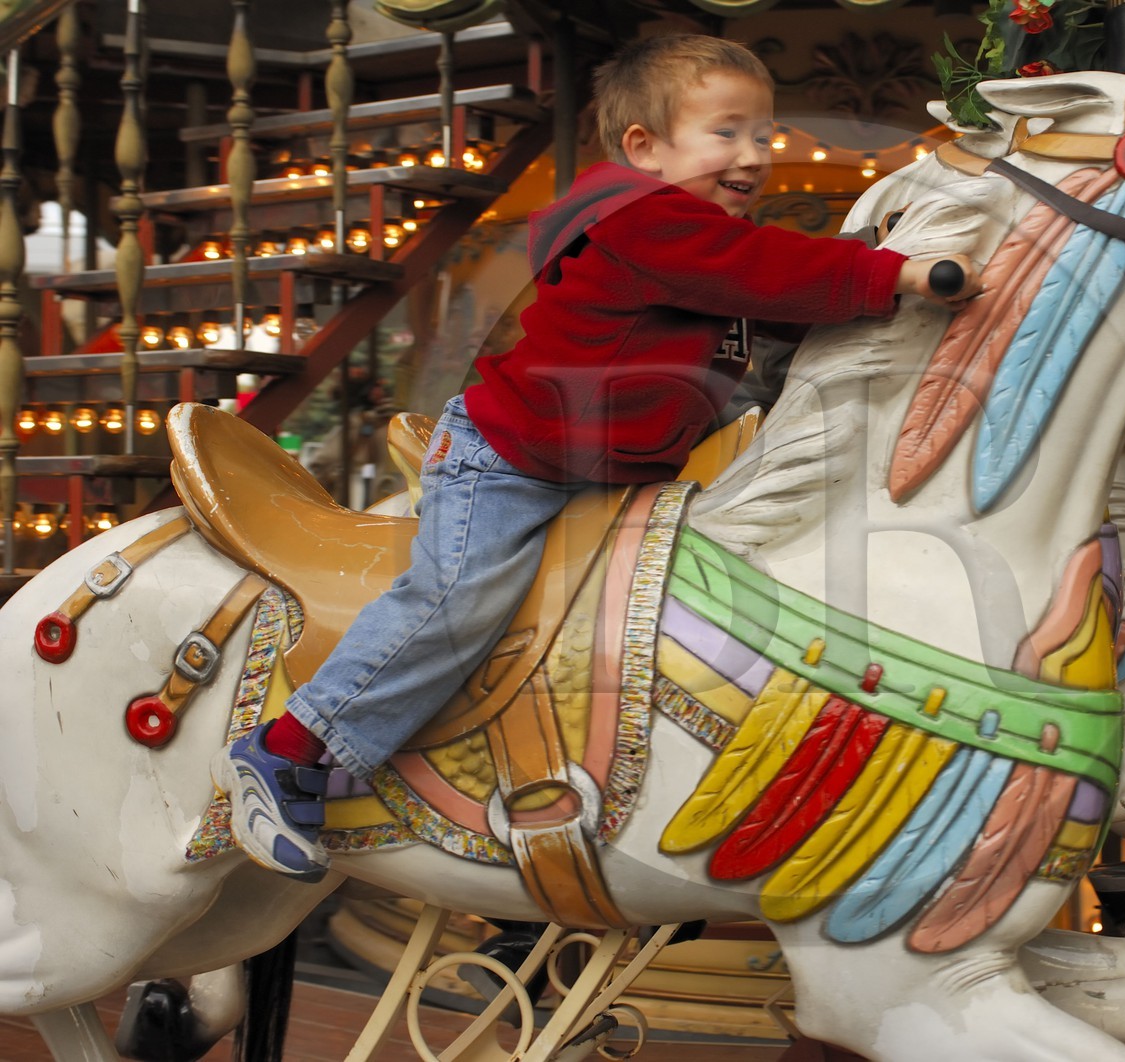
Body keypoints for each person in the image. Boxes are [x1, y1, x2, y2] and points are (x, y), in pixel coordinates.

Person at [211, 33, 981, 883]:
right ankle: (291, 748)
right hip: (510, 461)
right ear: (645, 150)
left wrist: (881, 275)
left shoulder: (709, 246)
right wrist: (894, 273)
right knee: (460, 602)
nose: (754, 155)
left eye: (763, 135)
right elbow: (767, 272)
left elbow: (780, 305)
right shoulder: (645, 220)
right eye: (726, 133)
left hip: (615, 473)